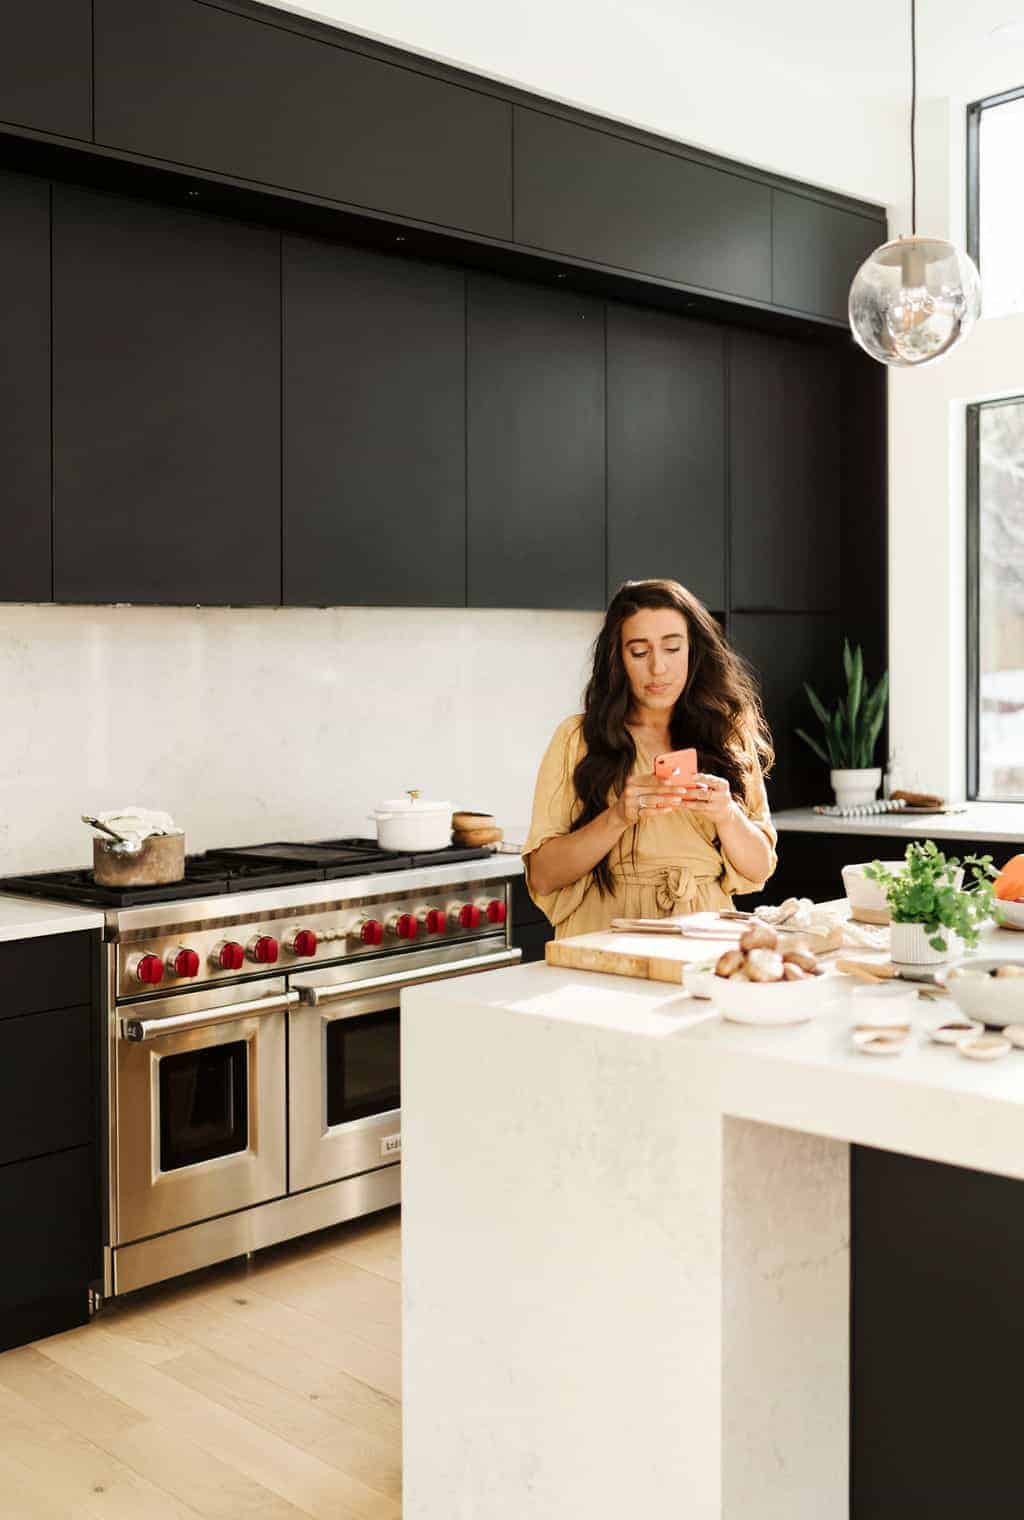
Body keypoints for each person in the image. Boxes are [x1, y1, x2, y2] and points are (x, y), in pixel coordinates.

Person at [524, 578, 777, 938]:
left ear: (694, 651)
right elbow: (543, 876)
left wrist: (726, 814)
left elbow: (759, 869)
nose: (658, 668)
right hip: (606, 931)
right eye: (640, 653)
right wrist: (618, 817)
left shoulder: (727, 735)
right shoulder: (577, 738)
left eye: (672, 648)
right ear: (618, 659)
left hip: (703, 933)